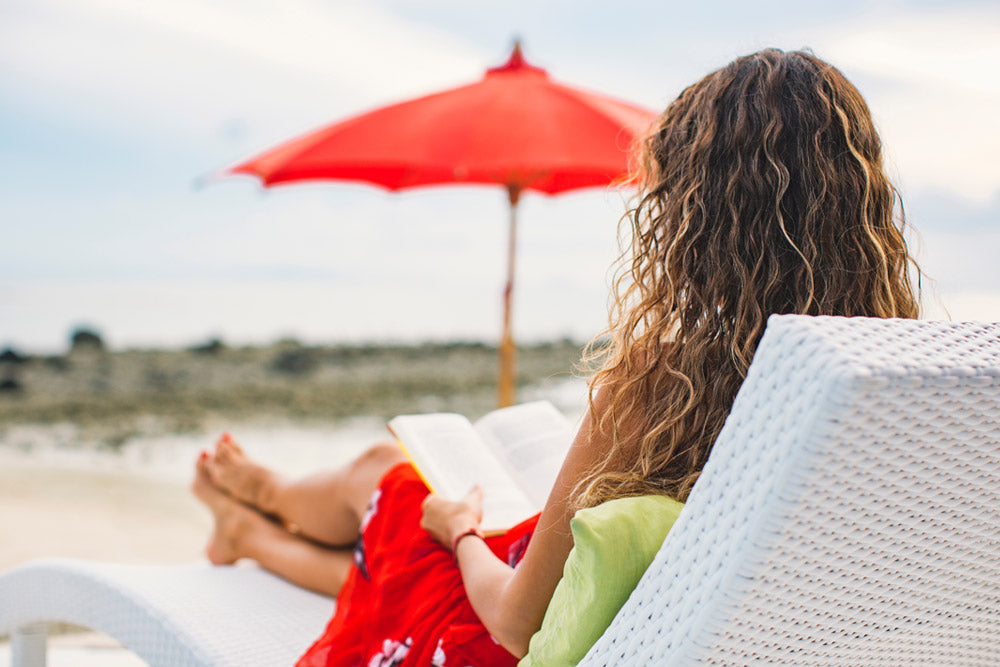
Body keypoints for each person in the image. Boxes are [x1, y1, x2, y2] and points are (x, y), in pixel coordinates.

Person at [191, 48, 921, 667]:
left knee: (387, 477)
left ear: (700, 220)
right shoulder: (887, 381)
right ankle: (253, 524)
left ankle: (266, 499)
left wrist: (461, 530)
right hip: (682, 628)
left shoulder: (664, 383)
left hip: (517, 639)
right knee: (409, 543)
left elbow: (513, 623)